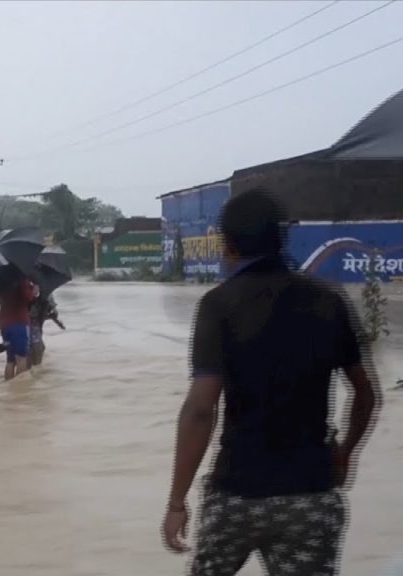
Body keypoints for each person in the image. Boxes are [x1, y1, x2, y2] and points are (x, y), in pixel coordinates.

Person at [162, 187, 379, 575]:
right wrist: (345, 452)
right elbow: (366, 395)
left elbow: (199, 410)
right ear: (281, 240)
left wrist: (177, 503)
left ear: (227, 246)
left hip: (236, 493)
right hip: (310, 495)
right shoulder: (328, 300)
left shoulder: (218, 305)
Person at [0, 276, 37, 379]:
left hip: (4, 324)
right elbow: (27, 297)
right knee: (21, 358)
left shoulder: (2, 280)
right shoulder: (22, 279)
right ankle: (20, 391)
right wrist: (34, 290)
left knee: (10, 360)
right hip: (19, 323)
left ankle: (9, 388)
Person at [29, 290, 64, 367]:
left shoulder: (24, 288)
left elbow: (53, 313)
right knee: (37, 349)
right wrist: (58, 322)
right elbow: (54, 313)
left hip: (28, 324)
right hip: (33, 324)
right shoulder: (46, 290)